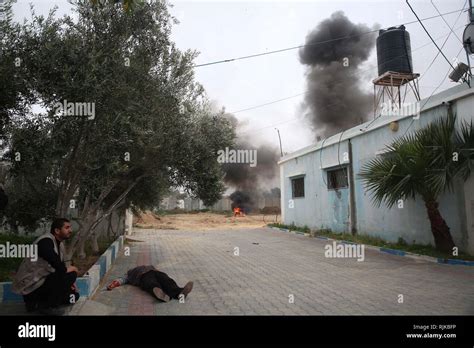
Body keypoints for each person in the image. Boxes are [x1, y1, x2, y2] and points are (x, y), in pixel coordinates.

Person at [12, 218, 80, 313]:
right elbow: (58, 265)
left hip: (43, 281)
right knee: (71, 274)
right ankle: (43, 306)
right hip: (32, 286)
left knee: (74, 295)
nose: (70, 230)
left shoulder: (59, 245)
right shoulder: (45, 241)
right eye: (67, 227)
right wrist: (73, 269)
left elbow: (59, 267)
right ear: (57, 230)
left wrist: (71, 284)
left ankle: (40, 304)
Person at [107, 265, 193, 302]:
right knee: (151, 283)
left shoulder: (149, 266)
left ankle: (180, 292)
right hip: (143, 276)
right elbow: (122, 280)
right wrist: (114, 284)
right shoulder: (129, 274)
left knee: (168, 281)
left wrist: (161, 273)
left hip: (156, 272)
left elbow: (158, 271)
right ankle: (162, 296)